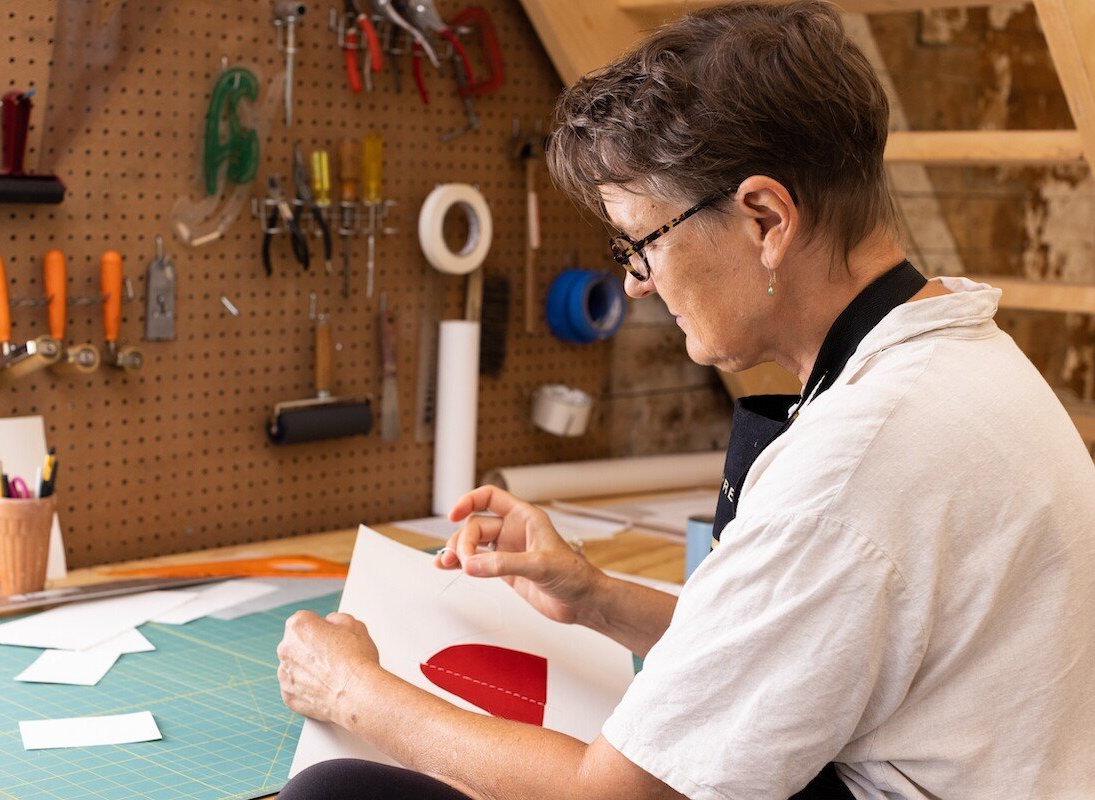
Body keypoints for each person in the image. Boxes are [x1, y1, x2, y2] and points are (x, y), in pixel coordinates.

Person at [275, 2, 1095, 797]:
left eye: (644, 243)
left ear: (767, 219)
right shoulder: (960, 359)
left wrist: (353, 692)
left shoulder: (853, 466)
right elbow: (798, 653)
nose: (635, 284)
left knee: (339, 787)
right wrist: (594, 597)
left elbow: (616, 797)